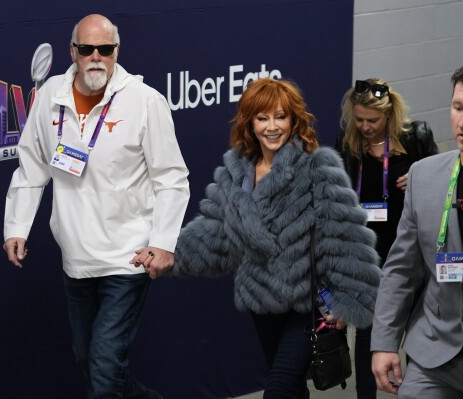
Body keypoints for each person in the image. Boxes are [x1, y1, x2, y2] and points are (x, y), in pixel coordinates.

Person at [133, 78, 382, 398]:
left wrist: (348, 298)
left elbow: (347, 235)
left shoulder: (318, 167)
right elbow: (216, 233)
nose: (272, 126)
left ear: (294, 120)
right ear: (249, 122)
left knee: (277, 389)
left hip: (310, 304)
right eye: (263, 118)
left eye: (280, 116)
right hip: (262, 303)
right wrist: (169, 252)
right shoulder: (236, 173)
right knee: (291, 388)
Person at [3, 14, 189, 399]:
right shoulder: (50, 98)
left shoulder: (144, 102)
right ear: (73, 52)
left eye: (104, 50)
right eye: (86, 49)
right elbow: (32, 166)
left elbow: (171, 177)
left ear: (116, 52)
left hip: (128, 256)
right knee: (90, 362)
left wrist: (164, 243)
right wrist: (16, 227)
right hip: (76, 257)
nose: (96, 58)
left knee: (104, 368)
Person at [335, 78, 438, 399]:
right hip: (367, 257)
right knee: (368, 337)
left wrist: (422, 175)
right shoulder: (347, 143)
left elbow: (444, 183)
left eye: (373, 121)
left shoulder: (417, 138)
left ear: (389, 115)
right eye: (359, 119)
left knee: (420, 334)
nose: (365, 127)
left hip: (410, 254)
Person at [371, 66, 463, 397]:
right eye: (458, 107)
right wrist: (384, 341)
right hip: (435, 357)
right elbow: (400, 270)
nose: (462, 121)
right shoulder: (424, 177)